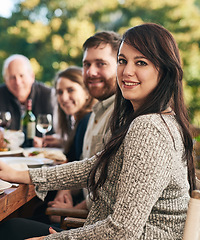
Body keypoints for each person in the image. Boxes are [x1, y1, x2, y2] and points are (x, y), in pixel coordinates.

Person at [0, 23, 196, 239]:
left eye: (141, 62)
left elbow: (122, 231)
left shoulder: (149, 128)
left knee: (9, 230)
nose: (126, 71)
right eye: (122, 61)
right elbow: (94, 167)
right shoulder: (156, 119)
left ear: (165, 71)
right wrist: (20, 175)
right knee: (12, 228)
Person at [46, 31, 121, 218]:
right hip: (84, 218)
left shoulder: (122, 116)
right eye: (86, 64)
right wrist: (65, 191)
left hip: (90, 226)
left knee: (9, 228)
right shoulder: (96, 114)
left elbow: (110, 198)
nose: (91, 71)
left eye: (101, 63)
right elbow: (83, 168)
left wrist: (69, 212)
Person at [32, 66, 97, 224]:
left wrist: (68, 206)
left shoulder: (87, 121)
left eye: (70, 90)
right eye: (60, 92)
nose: (64, 97)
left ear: (86, 91)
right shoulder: (79, 122)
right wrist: (63, 141)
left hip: (79, 211)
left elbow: (86, 171)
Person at [0, 54, 55, 133]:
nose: (17, 82)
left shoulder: (50, 95)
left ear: (32, 76)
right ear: (5, 80)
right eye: (12, 77)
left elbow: (62, 133)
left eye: (21, 76)